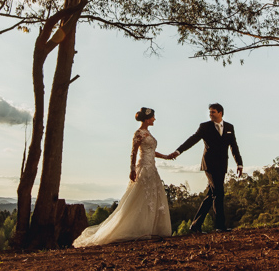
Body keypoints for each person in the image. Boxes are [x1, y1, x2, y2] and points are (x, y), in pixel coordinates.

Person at [73, 107, 173, 247]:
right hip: (143, 167)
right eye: (153, 117)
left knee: (152, 198)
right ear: (147, 118)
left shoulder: (148, 133)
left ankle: (151, 229)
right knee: (139, 197)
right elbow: (133, 152)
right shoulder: (139, 133)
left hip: (152, 169)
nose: (154, 119)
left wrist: (166, 157)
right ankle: (133, 229)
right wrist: (132, 169)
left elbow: (151, 151)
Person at [170, 103, 243, 233]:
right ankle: (220, 226)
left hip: (222, 165)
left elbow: (234, 146)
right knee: (219, 193)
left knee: (212, 195)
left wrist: (239, 163)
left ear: (220, 113)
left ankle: (195, 226)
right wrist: (178, 151)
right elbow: (192, 140)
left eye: (213, 112)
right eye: (210, 112)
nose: (210, 114)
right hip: (209, 165)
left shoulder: (230, 127)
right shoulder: (205, 127)